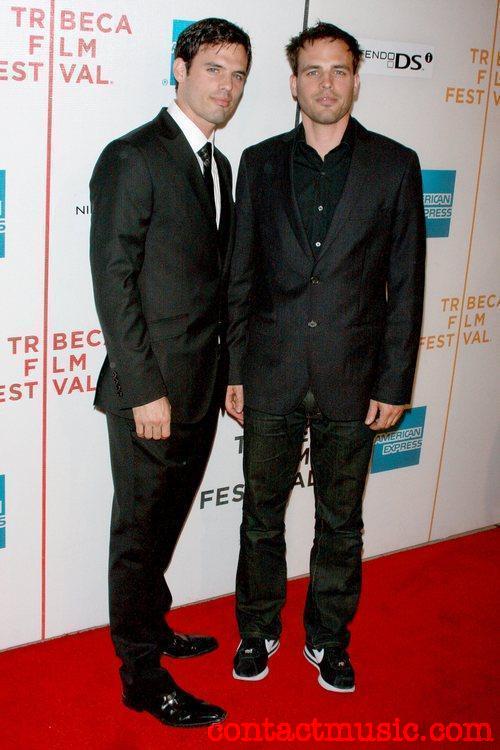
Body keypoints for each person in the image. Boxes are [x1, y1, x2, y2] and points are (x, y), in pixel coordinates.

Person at [225, 21, 425, 693]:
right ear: (293, 84)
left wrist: (396, 379)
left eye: (338, 70)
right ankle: (257, 629)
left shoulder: (395, 165)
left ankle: (327, 638)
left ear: (356, 80)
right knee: (261, 513)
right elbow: (240, 276)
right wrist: (234, 371)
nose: (326, 83)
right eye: (312, 71)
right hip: (272, 372)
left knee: (341, 522)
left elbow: (407, 280)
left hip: (354, 376)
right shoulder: (258, 162)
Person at [90, 17, 251, 728]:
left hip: (202, 387)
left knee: (164, 526)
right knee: (139, 533)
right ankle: (140, 676)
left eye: (239, 74)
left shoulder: (218, 165)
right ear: (179, 69)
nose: (228, 86)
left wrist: (232, 374)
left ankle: (152, 629)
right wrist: (144, 387)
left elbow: (222, 285)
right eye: (214, 68)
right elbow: (114, 279)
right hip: (151, 392)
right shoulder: (134, 156)